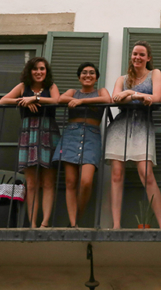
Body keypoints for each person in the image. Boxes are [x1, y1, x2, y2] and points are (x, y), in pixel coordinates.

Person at [105, 41, 161, 229]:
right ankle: (116, 225)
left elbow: (157, 98)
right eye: (134, 54)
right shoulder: (121, 79)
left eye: (141, 54)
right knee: (116, 175)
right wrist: (135, 94)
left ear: (148, 58)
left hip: (143, 125)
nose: (137, 57)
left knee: (146, 174)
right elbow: (115, 99)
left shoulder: (155, 74)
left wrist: (129, 95)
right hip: (120, 126)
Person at [0, 57, 60, 228]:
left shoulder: (51, 87)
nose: (39, 72)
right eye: (35, 69)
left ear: (46, 71)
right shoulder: (22, 87)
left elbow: (56, 100)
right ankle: (32, 223)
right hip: (29, 133)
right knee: (32, 183)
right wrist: (22, 101)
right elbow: (2, 100)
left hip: (48, 132)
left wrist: (35, 99)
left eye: (42, 68)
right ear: (29, 71)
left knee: (48, 181)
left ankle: (45, 222)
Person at [54, 62, 112, 227]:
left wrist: (81, 103)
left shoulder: (100, 91)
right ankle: (73, 224)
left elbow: (107, 99)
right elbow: (60, 98)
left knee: (86, 181)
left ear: (96, 77)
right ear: (79, 77)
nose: (88, 75)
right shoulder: (73, 92)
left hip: (91, 136)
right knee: (71, 182)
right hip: (71, 134)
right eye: (84, 73)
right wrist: (75, 99)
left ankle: (77, 217)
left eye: (92, 73)